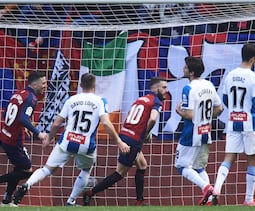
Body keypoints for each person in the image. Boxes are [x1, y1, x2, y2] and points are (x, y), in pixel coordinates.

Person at [11, 73, 130, 206]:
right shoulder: (100, 101)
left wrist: (49, 138)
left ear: (80, 85)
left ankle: (27, 185)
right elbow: (107, 124)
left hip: (67, 141)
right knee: (85, 171)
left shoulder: (71, 100)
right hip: (86, 144)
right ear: (94, 86)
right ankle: (71, 201)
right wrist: (119, 141)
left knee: (47, 169)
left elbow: (57, 123)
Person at [83, 77, 168, 206]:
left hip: (125, 134)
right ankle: (90, 193)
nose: (166, 90)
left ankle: (140, 201)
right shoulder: (156, 101)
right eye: (164, 88)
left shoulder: (140, 100)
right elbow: (153, 119)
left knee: (142, 164)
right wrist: (145, 134)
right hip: (133, 140)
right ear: (155, 89)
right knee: (119, 173)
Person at [0, 71, 48, 207]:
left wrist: (21, 126)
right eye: (43, 83)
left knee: (19, 168)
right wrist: (38, 133)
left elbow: (6, 113)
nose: (45, 86)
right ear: (34, 84)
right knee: (27, 170)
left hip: (5, 135)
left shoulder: (18, 93)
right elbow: (23, 118)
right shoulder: (32, 98)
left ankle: (6, 201)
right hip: (13, 140)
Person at [212, 43, 255, 206]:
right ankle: (249, 199)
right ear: (253, 58)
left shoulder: (230, 75)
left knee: (229, 157)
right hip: (250, 123)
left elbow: (226, 99)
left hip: (233, 121)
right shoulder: (254, 77)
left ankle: (216, 190)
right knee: (253, 159)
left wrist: (235, 110)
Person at [174, 56, 223, 206]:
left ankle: (207, 188)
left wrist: (178, 112)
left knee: (181, 165)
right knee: (199, 167)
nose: (183, 69)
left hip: (191, 132)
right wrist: (207, 117)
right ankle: (210, 198)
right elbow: (220, 108)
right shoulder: (209, 85)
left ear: (191, 72)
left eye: (186, 67)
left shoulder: (188, 88)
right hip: (205, 130)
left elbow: (189, 115)